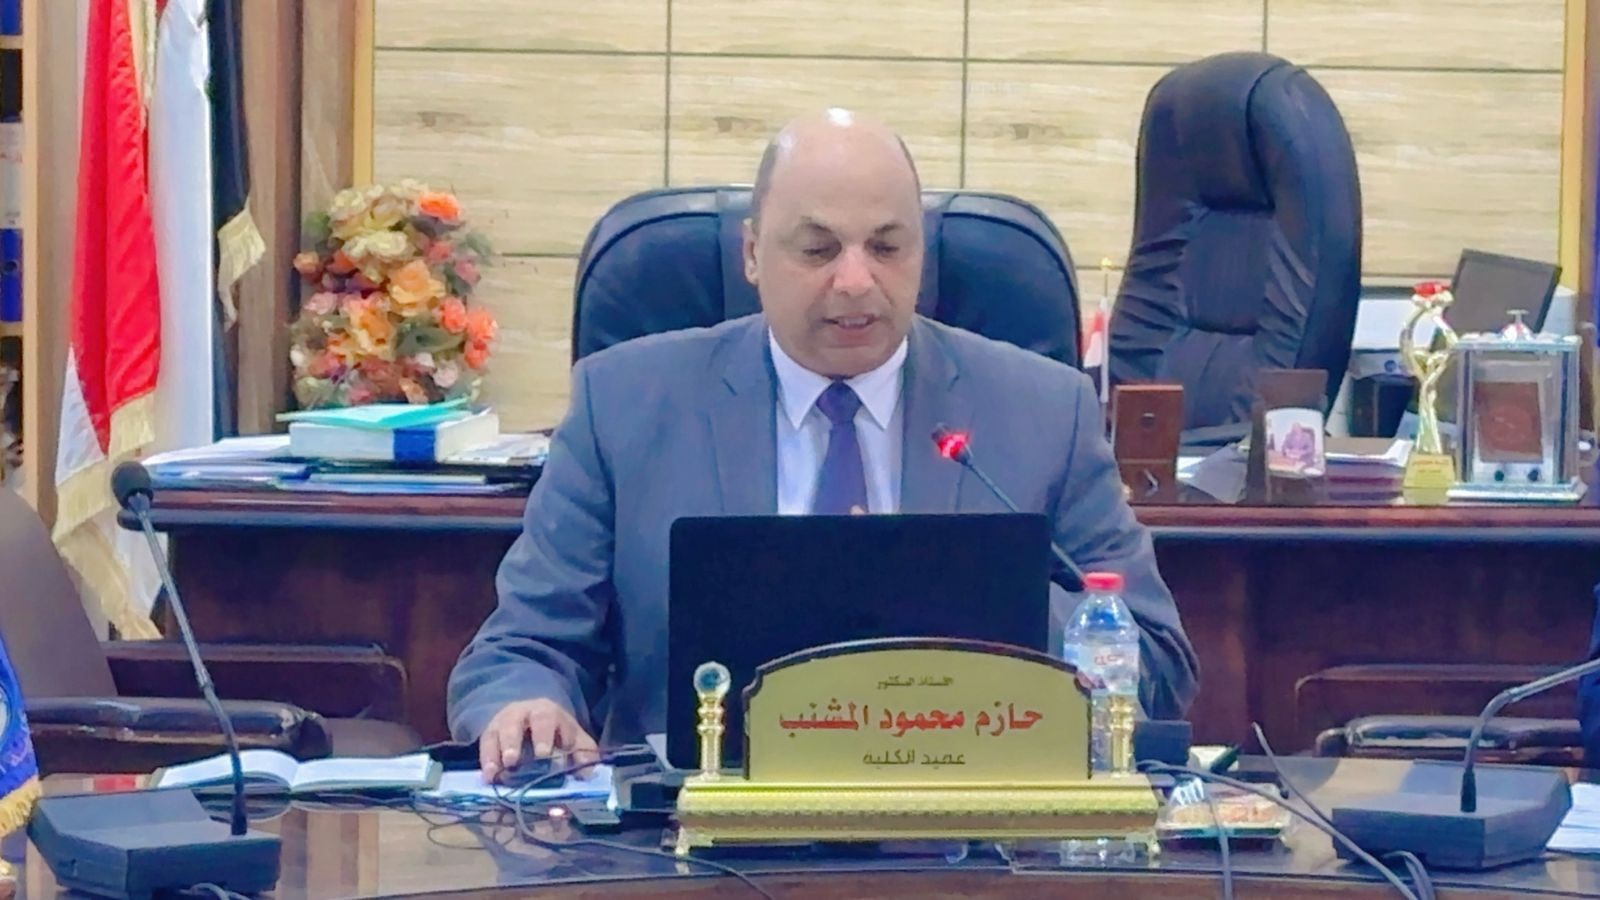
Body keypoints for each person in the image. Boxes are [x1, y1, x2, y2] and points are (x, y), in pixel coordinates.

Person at [448, 108, 1200, 781]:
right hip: (687, 837)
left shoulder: (1043, 410)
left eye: (887, 247)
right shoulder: (624, 404)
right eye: (817, 250)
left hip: (973, 832)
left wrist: (979, 593)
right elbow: (524, 647)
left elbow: (1158, 665)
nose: (855, 280)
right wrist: (525, 705)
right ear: (752, 254)